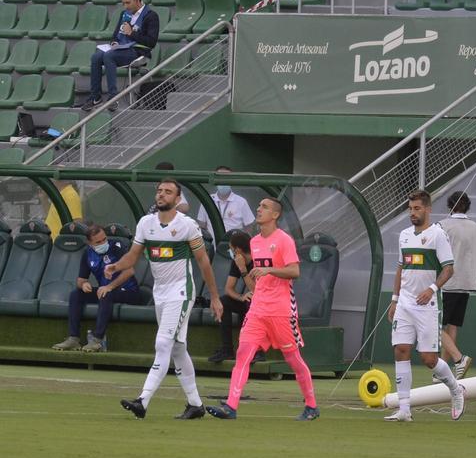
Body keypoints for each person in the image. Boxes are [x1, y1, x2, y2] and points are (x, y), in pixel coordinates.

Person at [104, 179, 222, 420]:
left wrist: (215, 297)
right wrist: (117, 265)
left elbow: (203, 262)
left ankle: (143, 400)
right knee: (178, 348)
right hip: (161, 292)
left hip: (181, 292)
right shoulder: (146, 224)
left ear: (178, 200)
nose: (161, 195)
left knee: (163, 343)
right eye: (159, 191)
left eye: (168, 192)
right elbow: (133, 256)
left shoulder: (187, 225)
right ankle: (196, 405)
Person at [207, 198, 319, 421]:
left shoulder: (284, 240)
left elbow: (294, 271)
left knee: (293, 359)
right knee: (242, 355)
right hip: (258, 309)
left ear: (275, 215)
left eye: (264, 207)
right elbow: (256, 284)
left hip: (281, 310)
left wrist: (270, 271)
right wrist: (244, 271)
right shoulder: (255, 242)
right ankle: (231, 406)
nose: (259, 209)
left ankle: (311, 406)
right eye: (258, 206)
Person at [384, 190, 466, 422]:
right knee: (400, 350)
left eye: (417, 208)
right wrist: (394, 299)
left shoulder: (438, 235)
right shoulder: (404, 235)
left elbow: (449, 268)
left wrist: (432, 288)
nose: (413, 212)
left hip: (427, 305)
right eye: (410, 209)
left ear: (428, 209)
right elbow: (401, 268)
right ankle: (404, 409)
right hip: (405, 304)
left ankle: (455, 389)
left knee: (429, 359)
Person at [51, 223, 141, 352]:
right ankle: (73, 338)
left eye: (104, 239)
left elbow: (129, 271)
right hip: (106, 291)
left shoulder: (116, 246)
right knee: (76, 294)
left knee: (105, 293)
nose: (103, 242)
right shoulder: (87, 254)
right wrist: (84, 285)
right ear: (89, 243)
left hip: (129, 292)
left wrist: (109, 287)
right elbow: (81, 280)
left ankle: (97, 339)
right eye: (98, 242)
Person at [80, 0, 159, 112]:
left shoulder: (151, 16)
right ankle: (95, 97)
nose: (125, 6)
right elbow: (115, 35)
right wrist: (114, 43)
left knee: (109, 56)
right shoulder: (124, 14)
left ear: (137, 0)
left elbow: (151, 42)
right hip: (121, 49)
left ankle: (113, 97)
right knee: (96, 57)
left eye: (128, 3)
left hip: (138, 52)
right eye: (123, 3)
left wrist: (132, 34)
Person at [438, 190, 476, 380]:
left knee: (434, 326)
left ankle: (459, 359)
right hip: (467, 283)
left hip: (447, 283)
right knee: (452, 326)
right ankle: (443, 372)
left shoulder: (442, 225)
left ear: (449, 206)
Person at [206, 229, 254, 364]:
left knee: (251, 303)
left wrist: (243, 270)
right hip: (249, 300)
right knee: (224, 301)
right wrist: (241, 297)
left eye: (232, 250)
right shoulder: (236, 262)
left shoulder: (258, 260)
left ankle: (255, 351)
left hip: (264, 302)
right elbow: (228, 289)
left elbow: (256, 289)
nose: (231, 253)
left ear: (238, 250)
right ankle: (227, 349)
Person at [197, 166, 255, 236]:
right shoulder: (207, 200)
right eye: (220, 178)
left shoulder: (241, 202)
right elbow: (202, 225)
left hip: (234, 245)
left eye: (226, 178)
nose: (223, 182)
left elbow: (249, 226)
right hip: (213, 245)